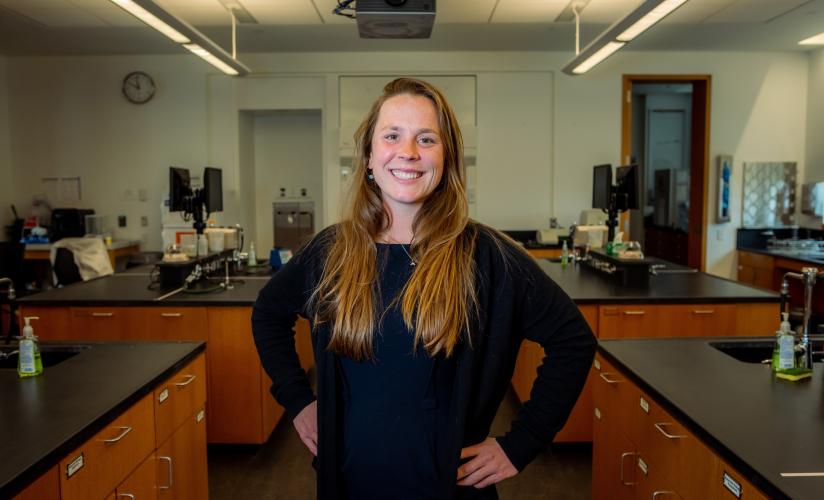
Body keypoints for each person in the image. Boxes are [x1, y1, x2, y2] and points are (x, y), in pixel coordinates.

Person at [252, 77, 596, 500]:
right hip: (348, 482)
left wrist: (521, 444)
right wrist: (298, 400)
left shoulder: (487, 256)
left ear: (447, 157)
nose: (409, 152)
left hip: (449, 488)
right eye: (392, 135)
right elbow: (269, 313)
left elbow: (573, 340)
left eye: (426, 139)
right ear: (369, 157)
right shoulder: (330, 251)